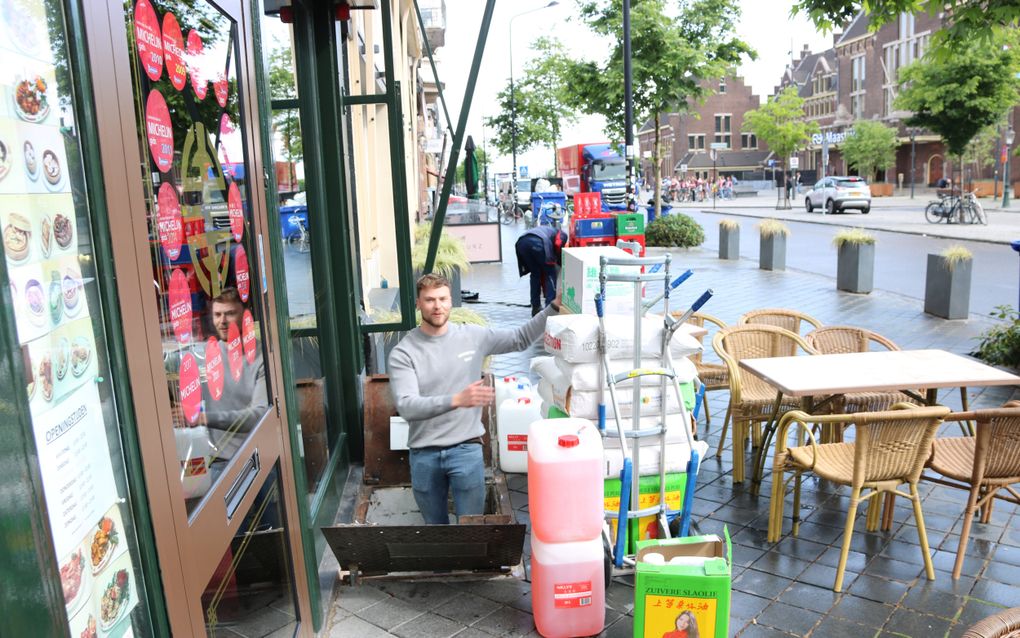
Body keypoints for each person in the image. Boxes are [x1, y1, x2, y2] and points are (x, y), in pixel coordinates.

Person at [388, 273, 561, 524]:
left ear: (451, 301)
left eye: (443, 299)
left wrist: (552, 307)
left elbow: (519, 339)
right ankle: (442, 565)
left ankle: (467, 565)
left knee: (472, 530)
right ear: (418, 303)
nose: (437, 306)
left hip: (466, 449)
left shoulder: (472, 336)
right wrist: (457, 399)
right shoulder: (404, 352)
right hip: (424, 454)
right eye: (429, 300)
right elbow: (406, 406)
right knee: (435, 532)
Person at [514, 225, 568, 316]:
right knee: (550, 273)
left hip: (521, 243)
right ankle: (549, 309)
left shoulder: (547, 230)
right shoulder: (562, 234)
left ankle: (535, 307)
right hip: (538, 243)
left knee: (535, 274)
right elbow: (558, 244)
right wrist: (559, 261)